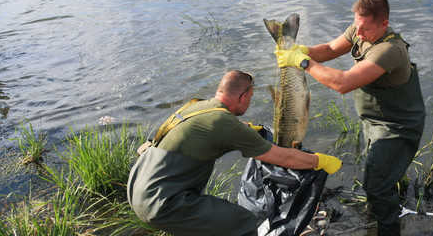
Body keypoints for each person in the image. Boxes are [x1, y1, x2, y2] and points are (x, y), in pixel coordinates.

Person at [274, 0, 426, 236]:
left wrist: (303, 62)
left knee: (375, 186)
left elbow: (343, 83)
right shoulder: (360, 28)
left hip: (397, 126)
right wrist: (302, 50)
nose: (359, 32)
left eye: (365, 28)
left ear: (384, 24)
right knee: (380, 175)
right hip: (374, 120)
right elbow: (329, 49)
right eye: (357, 25)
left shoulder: (390, 49)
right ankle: (384, 203)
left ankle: (388, 229)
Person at [127, 70, 342, 236]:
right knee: (241, 221)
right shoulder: (224, 123)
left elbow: (220, 131)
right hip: (162, 203)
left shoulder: (197, 106)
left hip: (137, 189)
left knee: (215, 224)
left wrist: (248, 131)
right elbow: (282, 157)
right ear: (243, 96)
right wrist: (319, 160)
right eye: (250, 97)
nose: (250, 102)